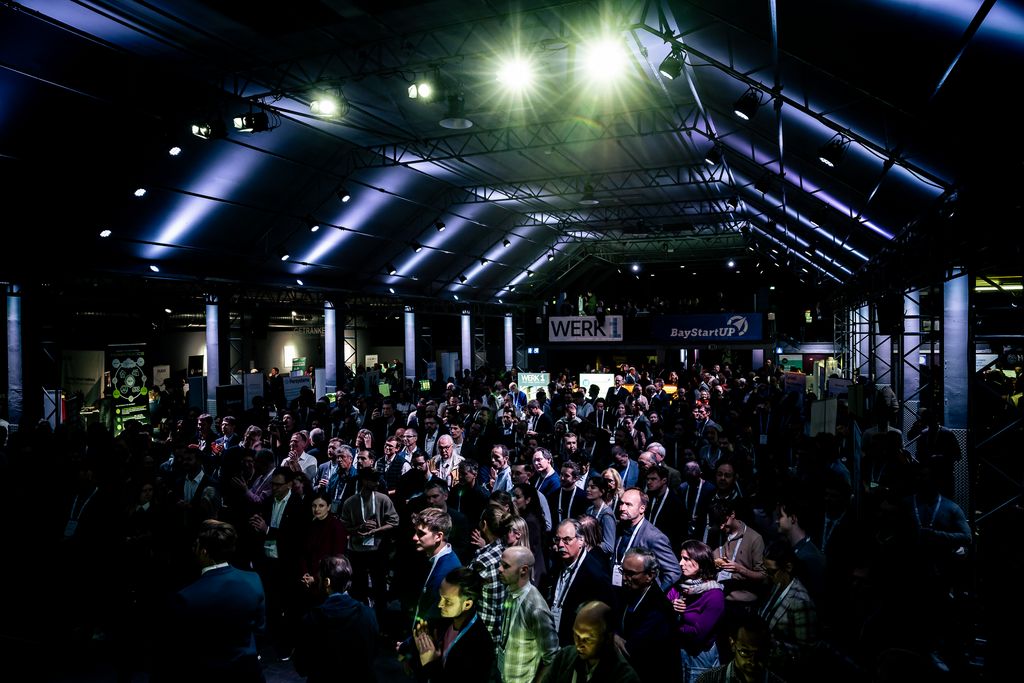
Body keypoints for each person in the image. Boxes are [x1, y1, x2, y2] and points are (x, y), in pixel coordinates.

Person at [164, 520, 265, 682]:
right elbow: (260, 629)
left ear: (203, 552)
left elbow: (179, 649)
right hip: (248, 672)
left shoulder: (187, 596)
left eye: (195, 545)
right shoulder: (253, 580)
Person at [292, 555, 379, 683]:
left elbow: (302, 666)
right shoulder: (368, 614)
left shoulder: (312, 619)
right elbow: (372, 654)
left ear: (327, 582)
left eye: (319, 578)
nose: (317, 581)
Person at [413, 567, 495, 683]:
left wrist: (430, 662)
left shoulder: (480, 644)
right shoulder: (443, 622)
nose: (440, 604)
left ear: (467, 604)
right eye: (440, 597)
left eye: (448, 601)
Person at [612, 549, 677, 683]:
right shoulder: (626, 594)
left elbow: (632, 650)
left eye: (630, 574)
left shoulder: (659, 609)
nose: (624, 578)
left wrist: (611, 636)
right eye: (622, 571)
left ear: (650, 575)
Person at [497, 546, 559, 683]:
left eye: (505, 566)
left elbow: (552, 657)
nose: (499, 569)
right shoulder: (509, 590)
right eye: (500, 564)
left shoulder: (536, 609)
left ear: (524, 570)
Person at [669, 540, 726, 682]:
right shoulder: (679, 586)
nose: (681, 563)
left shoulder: (714, 595)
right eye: (681, 558)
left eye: (687, 559)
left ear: (701, 561)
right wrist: (671, 607)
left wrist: (673, 625)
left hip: (700, 659)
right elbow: (661, 610)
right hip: (679, 653)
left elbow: (697, 635)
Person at [542, 601, 641, 683]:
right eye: (576, 635)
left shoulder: (625, 678)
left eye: (587, 639)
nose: (579, 645)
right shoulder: (564, 657)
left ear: (607, 637)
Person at [548, 519, 612, 645]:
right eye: (557, 539)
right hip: (555, 636)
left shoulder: (595, 573)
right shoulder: (557, 562)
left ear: (581, 540)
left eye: (567, 540)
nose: (560, 544)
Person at [614, 488, 680, 591]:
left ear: (642, 509)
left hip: (637, 595)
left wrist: (652, 596)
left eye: (628, 504)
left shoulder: (654, 537)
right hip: (618, 589)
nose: (622, 508)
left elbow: (674, 571)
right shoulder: (620, 527)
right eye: (621, 503)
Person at [695, 613, 785, 683]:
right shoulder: (708, 680)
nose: (752, 661)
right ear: (732, 644)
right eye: (745, 652)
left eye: (760, 653)